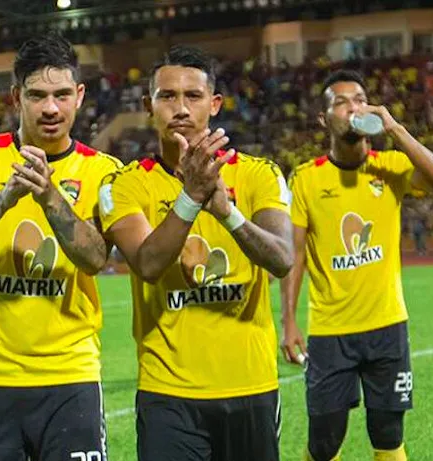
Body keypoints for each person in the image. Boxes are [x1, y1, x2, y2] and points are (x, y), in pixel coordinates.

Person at [0, 31, 122, 461]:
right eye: (37, 95)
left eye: (61, 95)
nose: (51, 108)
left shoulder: (103, 170)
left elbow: (95, 259)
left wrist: (50, 196)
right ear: (16, 96)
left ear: (79, 95)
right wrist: (4, 198)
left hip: (69, 378)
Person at [99, 45, 293, 461]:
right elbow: (148, 264)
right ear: (149, 106)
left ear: (215, 104)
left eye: (193, 96)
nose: (181, 108)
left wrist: (226, 211)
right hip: (168, 392)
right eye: (167, 96)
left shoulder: (259, 174)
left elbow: (281, 259)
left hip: (251, 385)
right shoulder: (126, 184)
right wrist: (191, 198)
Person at [279, 69, 433, 461]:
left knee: (388, 435)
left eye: (359, 100)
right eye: (341, 102)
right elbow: (295, 254)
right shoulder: (306, 179)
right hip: (330, 331)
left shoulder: (390, 165)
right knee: (324, 442)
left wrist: (394, 128)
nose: (353, 108)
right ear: (324, 119)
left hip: (387, 326)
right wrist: (288, 320)